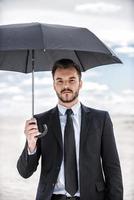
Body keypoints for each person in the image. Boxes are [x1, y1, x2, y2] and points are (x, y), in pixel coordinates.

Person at [17, 59, 123, 200]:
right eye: (59, 81)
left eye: (71, 80)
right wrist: (30, 145)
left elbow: (112, 168)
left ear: (80, 83)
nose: (66, 85)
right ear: (53, 85)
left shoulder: (101, 119)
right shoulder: (40, 121)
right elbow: (25, 172)